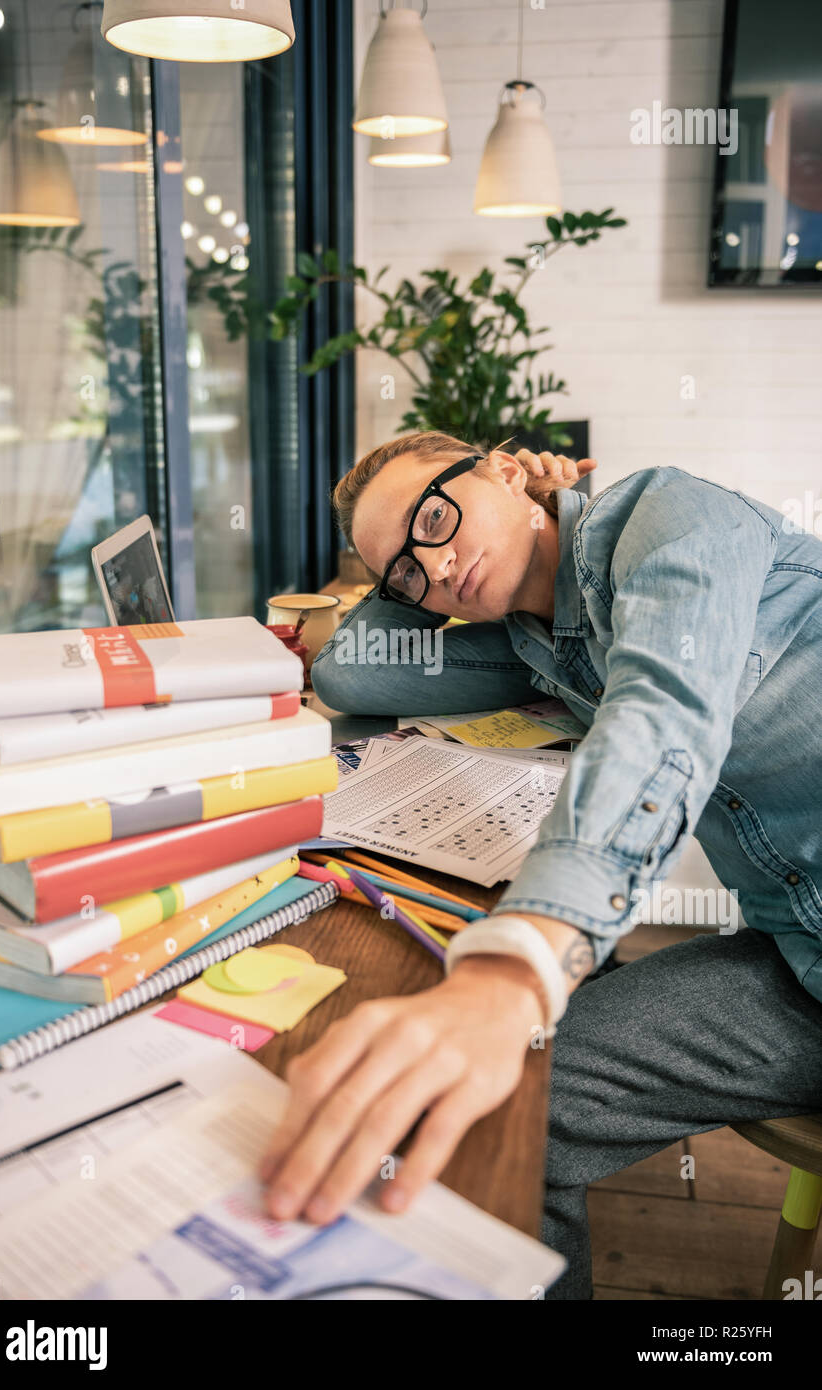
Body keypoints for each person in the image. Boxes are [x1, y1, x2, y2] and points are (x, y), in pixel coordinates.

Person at [258, 431, 822, 1299]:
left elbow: (663, 714)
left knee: (507, 1048)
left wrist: (515, 971)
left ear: (506, 465)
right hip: (797, 954)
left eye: (438, 517)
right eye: (408, 572)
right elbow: (354, 674)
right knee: (507, 1106)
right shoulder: (534, 644)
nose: (439, 568)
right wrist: (405, 572)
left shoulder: (673, 516)